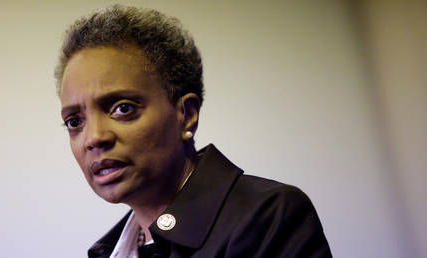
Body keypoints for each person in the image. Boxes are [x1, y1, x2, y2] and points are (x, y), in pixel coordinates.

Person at [55, 5, 332, 258]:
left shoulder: (269, 216)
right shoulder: (109, 251)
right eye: (75, 122)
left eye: (123, 108)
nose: (94, 138)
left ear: (186, 115)